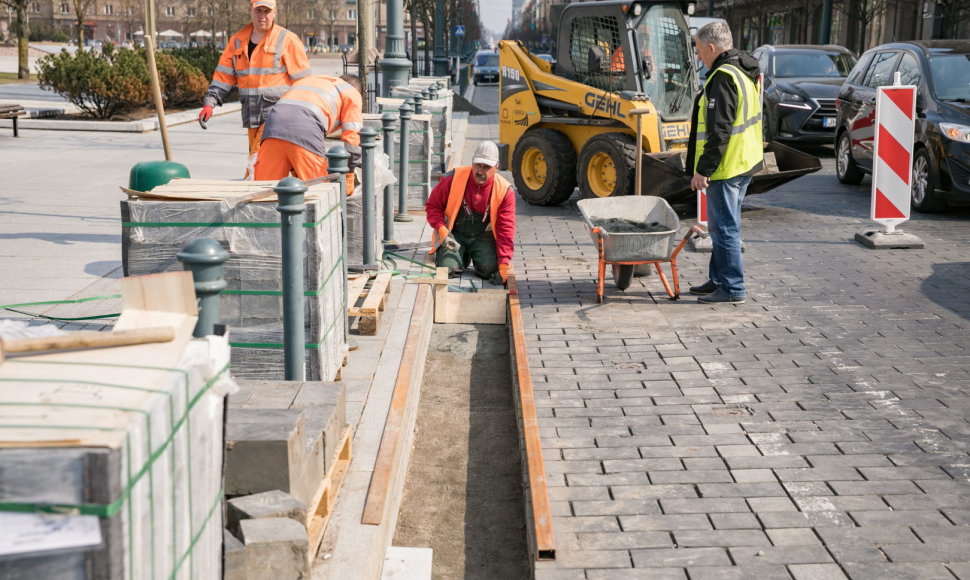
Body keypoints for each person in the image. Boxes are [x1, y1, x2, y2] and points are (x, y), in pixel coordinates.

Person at [686, 21, 763, 305]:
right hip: (744, 162)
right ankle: (718, 279)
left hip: (727, 167)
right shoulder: (742, 71)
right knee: (723, 226)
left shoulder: (723, 78)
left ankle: (732, 288)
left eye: (698, 50)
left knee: (724, 228)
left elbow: (719, 131)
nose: (698, 56)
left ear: (710, 47)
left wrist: (703, 170)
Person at [198, 0, 311, 177]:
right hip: (252, 116)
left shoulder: (287, 40)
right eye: (258, 11)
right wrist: (210, 103)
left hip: (278, 117)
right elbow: (223, 77)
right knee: (272, 165)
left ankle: (259, 197)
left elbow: (305, 82)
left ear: (275, 12)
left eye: (267, 11)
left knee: (258, 166)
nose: (262, 16)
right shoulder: (237, 41)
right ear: (250, 10)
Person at [425, 141, 516, 285]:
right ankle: (461, 256)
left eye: (486, 167)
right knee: (446, 267)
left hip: (482, 237)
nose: (480, 171)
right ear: (472, 162)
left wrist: (504, 263)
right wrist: (442, 230)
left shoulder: (505, 191)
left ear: (496, 167)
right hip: (455, 235)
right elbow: (432, 206)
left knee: (490, 270)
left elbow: (506, 229)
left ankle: (470, 254)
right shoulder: (452, 179)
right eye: (477, 165)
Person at [252, 74, 363, 185]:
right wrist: (349, 174)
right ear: (357, 90)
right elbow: (353, 138)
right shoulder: (351, 92)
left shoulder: (308, 80)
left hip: (273, 127)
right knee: (318, 190)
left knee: (264, 189)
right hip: (306, 130)